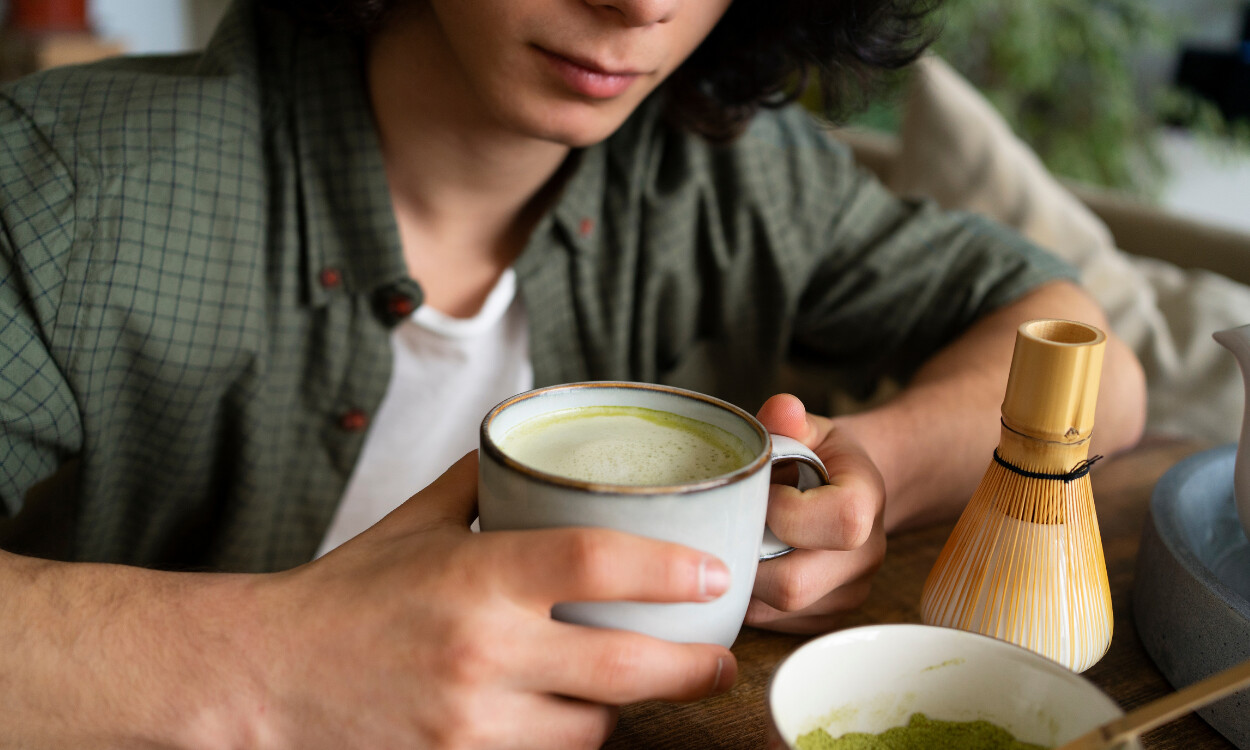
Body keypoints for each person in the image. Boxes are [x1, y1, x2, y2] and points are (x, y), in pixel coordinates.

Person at [0, 0, 1146, 747]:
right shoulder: (68, 187)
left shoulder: (732, 175)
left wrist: (870, 474)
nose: (637, 6)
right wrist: (264, 671)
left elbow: (1080, 351)